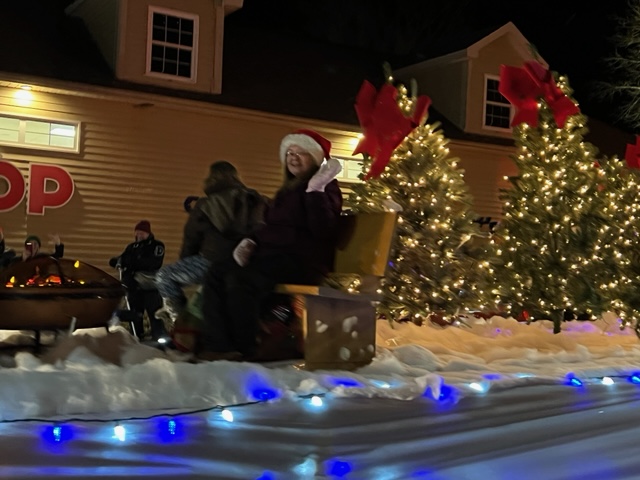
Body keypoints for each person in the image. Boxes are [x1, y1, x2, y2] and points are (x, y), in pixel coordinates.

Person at [198, 129, 343, 361]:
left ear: (316, 158)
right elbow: (272, 226)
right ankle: (219, 344)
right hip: (275, 257)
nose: (293, 158)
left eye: (301, 153)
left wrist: (315, 190)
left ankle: (245, 348)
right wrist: (251, 240)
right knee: (216, 272)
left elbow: (324, 229)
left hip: (301, 262)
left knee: (242, 279)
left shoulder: (324, 187)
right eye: (290, 153)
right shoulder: (288, 190)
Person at [154, 160, 265, 327]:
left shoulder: (205, 204)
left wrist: (186, 261)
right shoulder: (256, 200)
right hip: (247, 264)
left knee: (164, 276)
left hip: (211, 262)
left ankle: (179, 322)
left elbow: (191, 239)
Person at [109, 220, 166, 341]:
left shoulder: (156, 246)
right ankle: (137, 337)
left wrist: (130, 263)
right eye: (137, 232)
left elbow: (153, 263)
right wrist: (116, 261)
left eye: (142, 233)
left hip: (150, 286)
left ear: (148, 233)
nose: (139, 235)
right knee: (135, 313)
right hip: (134, 286)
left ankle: (159, 338)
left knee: (155, 313)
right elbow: (122, 258)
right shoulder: (132, 247)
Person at [0, 230, 64, 268]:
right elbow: (8, 268)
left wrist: (58, 244)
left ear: (38, 247)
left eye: (35, 244)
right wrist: (23, 260)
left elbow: (57, 256)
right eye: (30, 244)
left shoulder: (42, 257)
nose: (33, 247)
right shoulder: (16, 260)